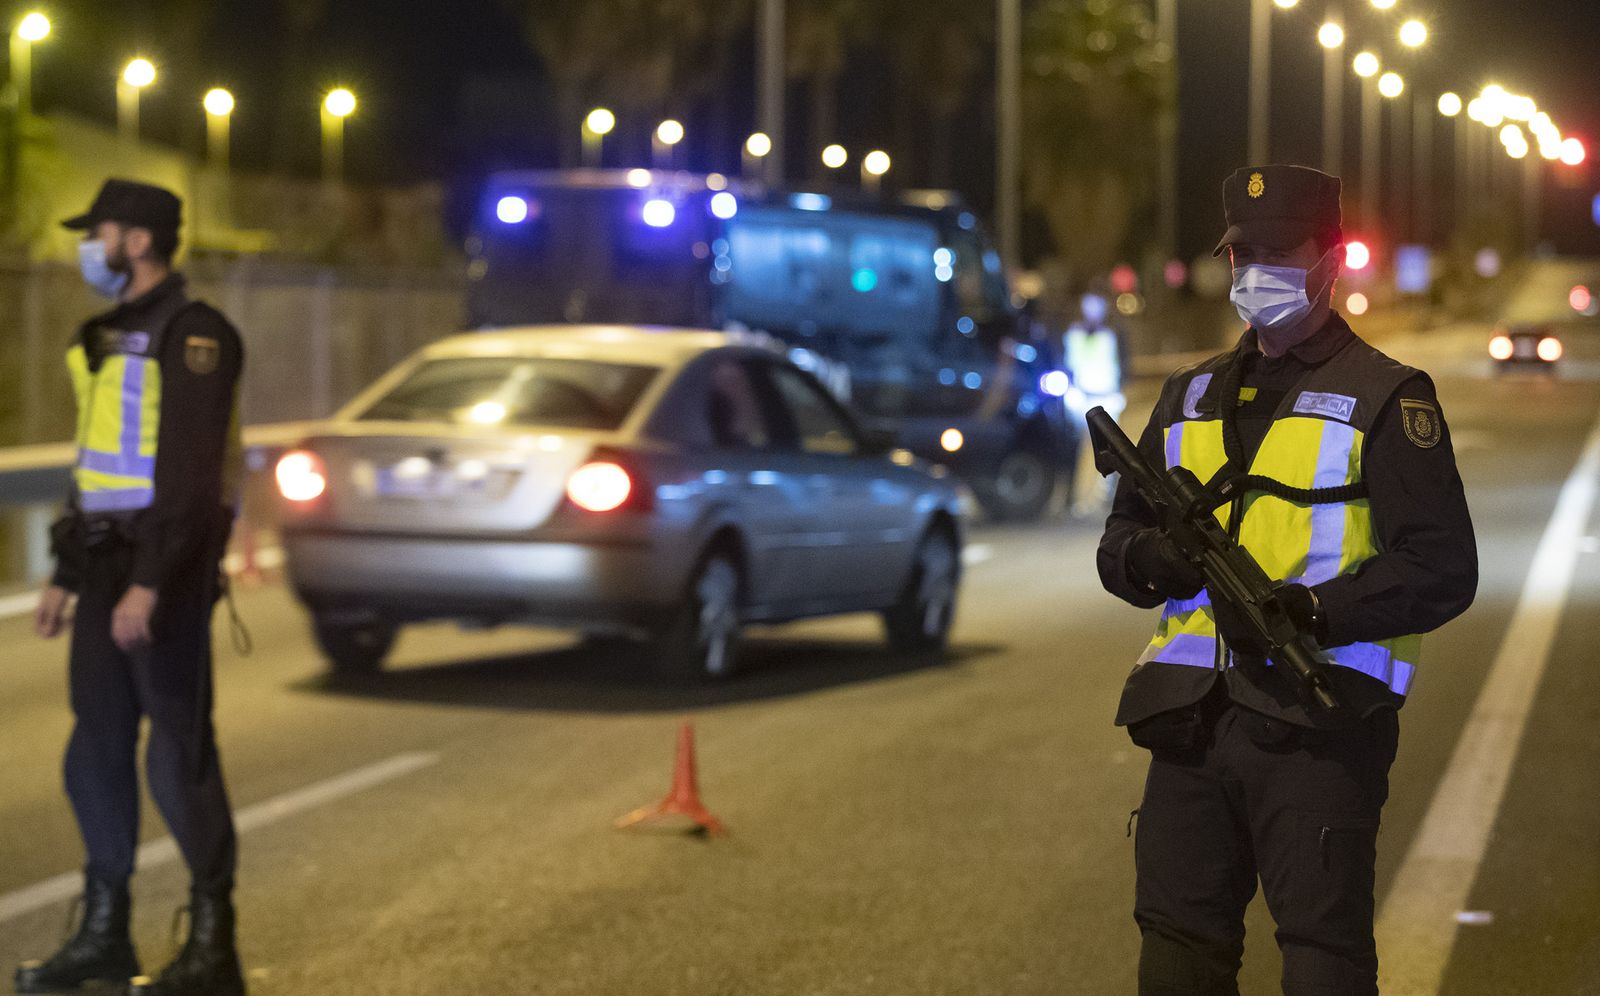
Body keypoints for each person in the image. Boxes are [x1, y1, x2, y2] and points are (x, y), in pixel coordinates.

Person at [1096, 164, 1476, 995]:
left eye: (1279, 251)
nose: (1254, 269)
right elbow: (1118, 545)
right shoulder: (1187, 394)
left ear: (1330, 259)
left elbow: (1442, 568)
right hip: (1189, 726)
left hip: (1317, 725)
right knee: (1175, 959)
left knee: (1321, 962)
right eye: (1242, 254)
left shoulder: (1386, 398)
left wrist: (1313, 608)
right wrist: (1152, 558)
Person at [17, 179, 248, 996]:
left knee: (179, 756)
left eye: (99, 232)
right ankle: (106, 933)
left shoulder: (197, 337)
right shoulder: (104, 338)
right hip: (108, 565)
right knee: (97, 752)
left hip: (168, 571)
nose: (90, 247)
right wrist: (68, 573)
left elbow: (186, 478)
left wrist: (149, 586)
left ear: (139, 241)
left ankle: (213, 946)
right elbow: (98, 467)